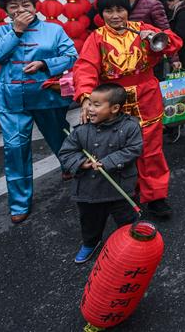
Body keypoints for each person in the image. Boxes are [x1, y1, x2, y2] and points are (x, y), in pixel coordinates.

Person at [72, 0, 181, 219]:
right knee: (118, 148)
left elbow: (174, 42)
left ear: (127, 10)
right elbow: (85, 68)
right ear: (101, 15)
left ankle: (156, 196)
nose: (115, 16)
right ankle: (128, 195)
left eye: (120, 10)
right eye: (108, 11)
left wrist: (156, 35)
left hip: (146, 96)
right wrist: (85, 97)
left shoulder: (141, 29)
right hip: (114, 101)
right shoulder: (97, 38)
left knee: (151, 150)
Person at [0, 0, 78, 224]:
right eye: (13, 6)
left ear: (35, 6)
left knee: (59, 137)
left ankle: (68, 164)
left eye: (26, 4)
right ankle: (19, 203)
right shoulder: (0, 32)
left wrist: (45, 64)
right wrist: (16, 31)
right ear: (6, 11)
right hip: (12, 99)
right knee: (14, 149)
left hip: (47, 96)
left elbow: (71, 56)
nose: (21, 9)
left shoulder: (54, 30)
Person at [59, 82, 142, 263]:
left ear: (114, 108)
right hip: (89, 188)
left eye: (96, 105)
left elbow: (134, 149)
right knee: (90, 221)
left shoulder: (130, 126)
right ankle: (91, 242)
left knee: (127, 220)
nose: (90, 109)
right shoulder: (82, 128)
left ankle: (131, 246)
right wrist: (81, 163)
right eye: (89, 104)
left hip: (120, 187)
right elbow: (66, 152)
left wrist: (107, 162)